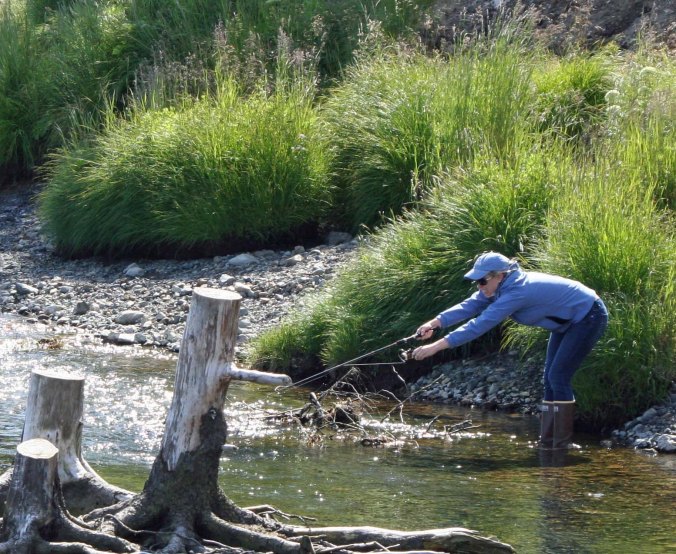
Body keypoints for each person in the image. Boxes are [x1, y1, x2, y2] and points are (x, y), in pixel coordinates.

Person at [412, 251, 608, 449]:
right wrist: (434, 323)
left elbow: (479, 324)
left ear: (500, 275)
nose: (479, 286)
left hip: (588, 316)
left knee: (558, 377)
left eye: (482, 281)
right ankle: (549, 442)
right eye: (476, 282)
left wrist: (435, 347)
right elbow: (469, 306)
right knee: (549, 378)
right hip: (567, 322)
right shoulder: (498, 287)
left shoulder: (517, 292)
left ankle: (561, 444)